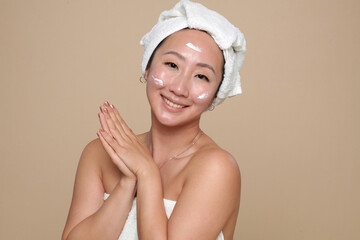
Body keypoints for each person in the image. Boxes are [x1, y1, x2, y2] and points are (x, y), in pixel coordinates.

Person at [62, 0, 246, 239]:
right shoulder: (99, 154)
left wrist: (147, 173)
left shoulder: (216, 169)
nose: (179, 88)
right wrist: (128, 183)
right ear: (147, 68)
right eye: (171, 64)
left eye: (201, 76)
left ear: (215, 96)